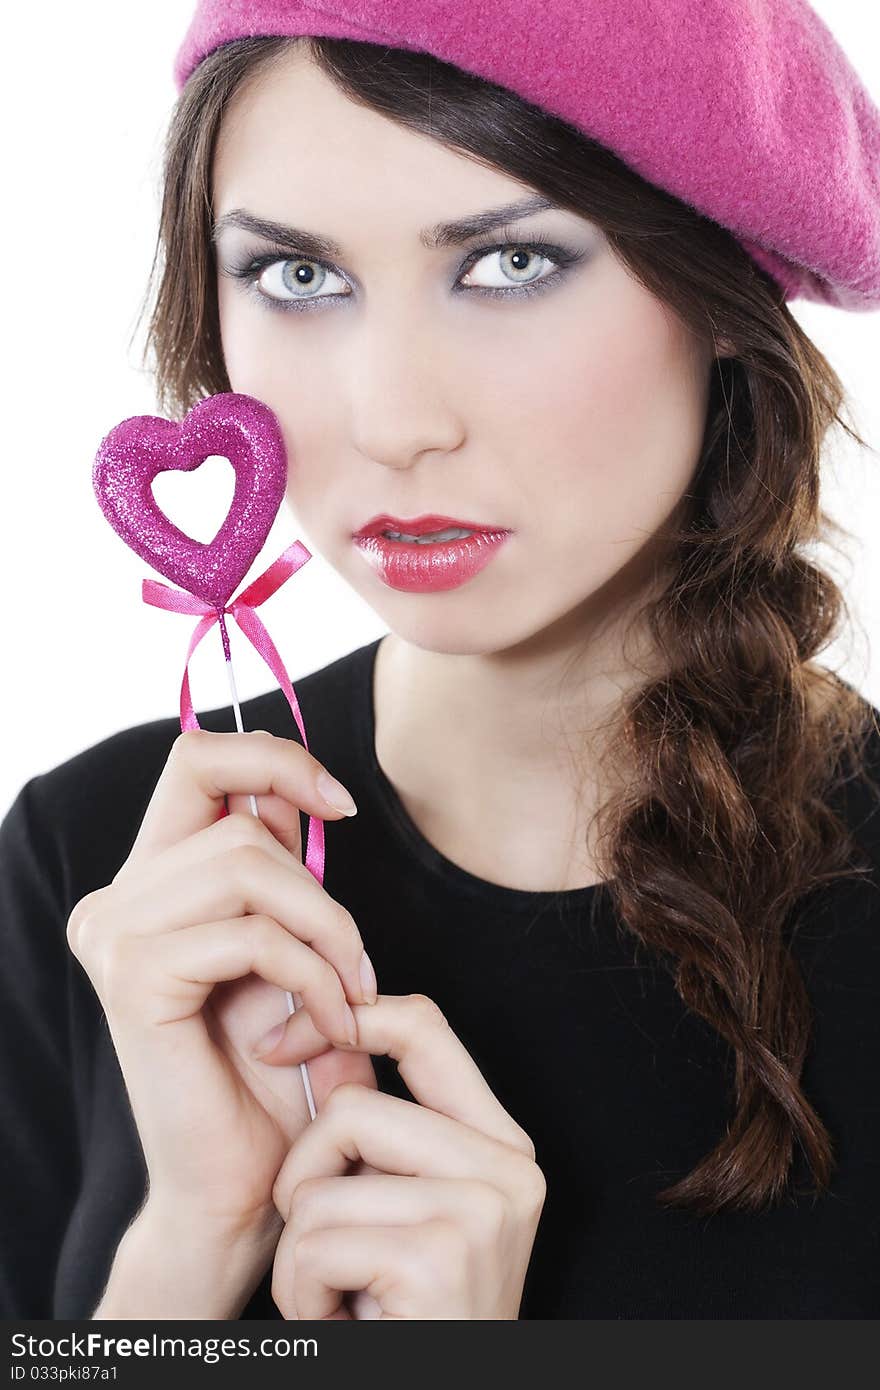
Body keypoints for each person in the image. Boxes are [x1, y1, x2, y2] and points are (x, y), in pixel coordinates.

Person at [2, 13, 880, 1322]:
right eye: (298, 277)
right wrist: (193, 1242)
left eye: (511, 261)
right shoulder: (102, 862)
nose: (393, 417)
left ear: (717, 296)